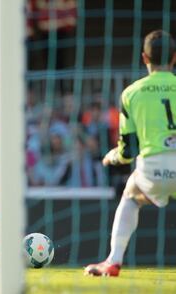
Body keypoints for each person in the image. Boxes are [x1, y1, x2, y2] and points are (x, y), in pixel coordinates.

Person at [84, 30, 176, 277]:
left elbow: (128, 151)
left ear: (145, 58)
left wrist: (112, 156)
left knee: (131, 198)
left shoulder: (131, 93)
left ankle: (113, 261)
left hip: (153, 168)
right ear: (174, 58)